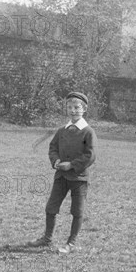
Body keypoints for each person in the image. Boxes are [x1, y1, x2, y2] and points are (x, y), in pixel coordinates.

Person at [27, 91, 97, 254]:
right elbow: (53, 147)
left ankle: (71, 243)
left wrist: (72, 165)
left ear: (84, 109)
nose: (73, 111)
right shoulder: (62, 130)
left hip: (79, 178)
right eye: (69, 107)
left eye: (76, 107)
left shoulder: (88, 132)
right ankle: (47, 239)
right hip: (61, 177)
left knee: (77, 211)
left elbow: (90, 155)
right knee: (51, 207)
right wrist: (56, 161)